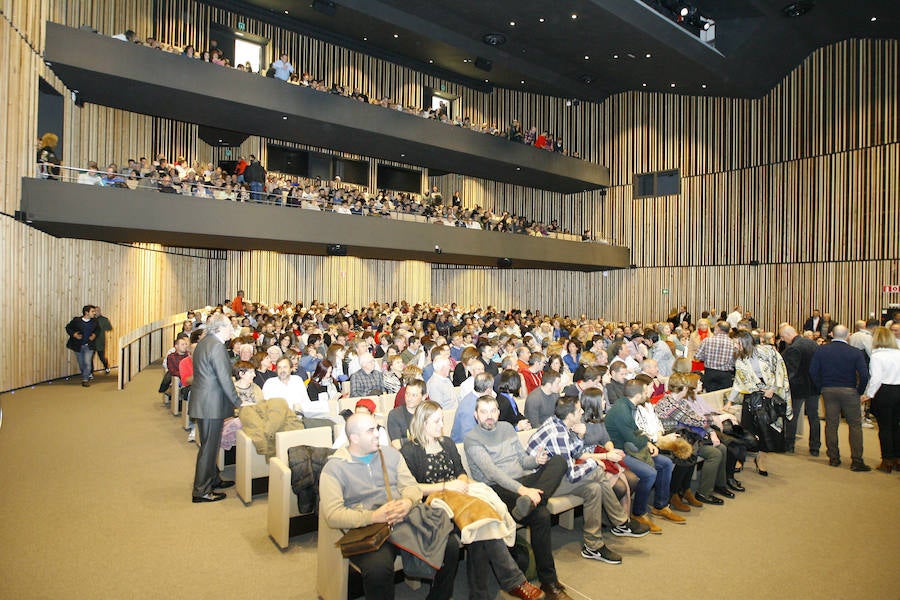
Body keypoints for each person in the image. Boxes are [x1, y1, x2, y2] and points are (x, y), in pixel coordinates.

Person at [399, 401, 544, 600]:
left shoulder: (447, 443)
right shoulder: (410, 450)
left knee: (479, 527)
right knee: (480, 525)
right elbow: (412, 488)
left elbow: (461, 471)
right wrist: (446, 486)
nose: (442, 424)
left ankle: (483, 594)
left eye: (442, 419)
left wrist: (460, 481)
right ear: (423, 422)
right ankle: (512, 582)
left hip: (460, 499)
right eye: (437, 421)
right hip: (434, 505)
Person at [319, 413, 460, 600]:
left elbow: (411, 487)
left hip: (403, 521)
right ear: (354, 438)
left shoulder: (391, 455)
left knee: (450, 545)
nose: (377, 434)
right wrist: (372, 516)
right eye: (371, 431)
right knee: (378, 569)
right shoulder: (334, 469)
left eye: (376, 428)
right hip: (368, 529)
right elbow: (333, 514)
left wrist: (408, 502)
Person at [464, 395, 572, 600]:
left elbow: (522, 460)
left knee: (558, 461)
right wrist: (523, 490)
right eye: (483, 412)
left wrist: (536, 461)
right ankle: (550, 582)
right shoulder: (472, 438)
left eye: (492, 411)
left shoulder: (506, 428)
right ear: (476, 415)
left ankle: (530, 503)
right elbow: (492, 473)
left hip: (522, 484)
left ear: (498, 412)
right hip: (496, 490)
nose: (489, 416)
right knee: (541, 515)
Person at [525, 396, 649, 565]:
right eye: (578, 410)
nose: (582, 412)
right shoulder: (558, 433)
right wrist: (593, 463)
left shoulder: (559, 423)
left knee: (594, 489)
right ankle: (621, 521)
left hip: (557, 476)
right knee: (597, 472)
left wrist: (580, 436)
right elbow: (572, 475)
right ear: (569, 415)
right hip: (543, 484)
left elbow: (574, 453)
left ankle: (593, 546)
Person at [605, 375, 679, 534]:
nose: (649, 393)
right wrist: (647, 442)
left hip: (630, 447)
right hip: (620, 452)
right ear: (638, 395)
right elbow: (631, 438)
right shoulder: (622, 410)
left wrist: (647, 443)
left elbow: (636, 433)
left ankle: (660, 505)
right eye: (646, 391)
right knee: (650, 473)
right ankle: (639, 512)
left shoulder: (629, 405)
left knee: (666, 464)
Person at [188, 313, 241, 503]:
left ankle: (213, 479)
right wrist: (238, 403)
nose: (231, 330)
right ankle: (201, 491)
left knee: (209, 445)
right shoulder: (217, 346)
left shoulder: (205, 341)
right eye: (229, 327)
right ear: (219, 328)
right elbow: (225, 380)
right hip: (210, 405)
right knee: (209, 448)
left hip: (205, 402)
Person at [729, 331, 793, 475]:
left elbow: (780, 370)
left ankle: (761, 459)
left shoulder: (768, 351)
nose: (734, 346)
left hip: (770, 395)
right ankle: (741, 459)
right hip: (751, 396)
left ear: (744, 342)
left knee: (767, 430)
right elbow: (738, 383)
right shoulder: (740, 360)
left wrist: (773, 388)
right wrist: (729, 402)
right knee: (746, 429)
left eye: (736, 343)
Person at [809, 325, 870, 471]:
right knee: (855, 425)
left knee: (831, 424)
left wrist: (820, 387)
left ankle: (834, 458)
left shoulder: (822, 350)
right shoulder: (855, 352)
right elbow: (864, 374)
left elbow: (813, 371)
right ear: (848, 335)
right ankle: (856, 460)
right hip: (850, 391)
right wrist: (860, 391)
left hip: (828, 390)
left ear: (831, 334)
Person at [861, 327, 900, 472]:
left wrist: (868, 395)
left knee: (885, 428)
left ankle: (887, 460)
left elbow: (876, 379)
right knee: (896, 426)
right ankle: (898, 458)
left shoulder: (877, 356)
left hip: (884, 392)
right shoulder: (898, 353)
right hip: (899, 390)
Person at [779, 324, 820, 455]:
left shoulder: (793, 348)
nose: (783, 340)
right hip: (814, 385)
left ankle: (789, 444)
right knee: (814, 417)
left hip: (798, 387)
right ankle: (815, 447)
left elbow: (791, 371)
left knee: (792, 416)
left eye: (783, 337)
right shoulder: (813, 344)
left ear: (787, 335)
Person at [694, 321, 737, 392]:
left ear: (718, 329)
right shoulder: (733, 344)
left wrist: (706, 357)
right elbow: (734, 362)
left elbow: (697, 357)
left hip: (710, 373)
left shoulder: (707, 341)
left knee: (710, 397)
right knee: (723, 398)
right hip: (726, 375)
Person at [387, 379, 425, 448]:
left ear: (424, 397)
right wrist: (422, 439)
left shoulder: (428, 413)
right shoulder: (395, 414)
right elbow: (396, 444)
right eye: (407, 394)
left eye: (414, 395)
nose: (409, 398)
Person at [65, 305, 98, 387]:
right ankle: (85, 374)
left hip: (89, 346)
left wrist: (94, 334)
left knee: (87, 362)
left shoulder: (94, 321)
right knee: (81, 363)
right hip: (78, 345)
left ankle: (85, 379)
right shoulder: (77, 321)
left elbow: (98, 329)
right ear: (86, 313)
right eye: (92, 311)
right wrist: (74, 334)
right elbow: (68, 327)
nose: (94, 313)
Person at [93, 306, 113, 374]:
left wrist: (104, 327)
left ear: (100, 311)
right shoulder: (91, 320)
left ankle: (106, 366)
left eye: (97, 311)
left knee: (101, 357)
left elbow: (109, 328)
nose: (96, 312)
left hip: (100, 341)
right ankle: (90, 372)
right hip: (91, 342)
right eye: (94, 311)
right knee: (89, 358)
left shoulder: (104, 319)